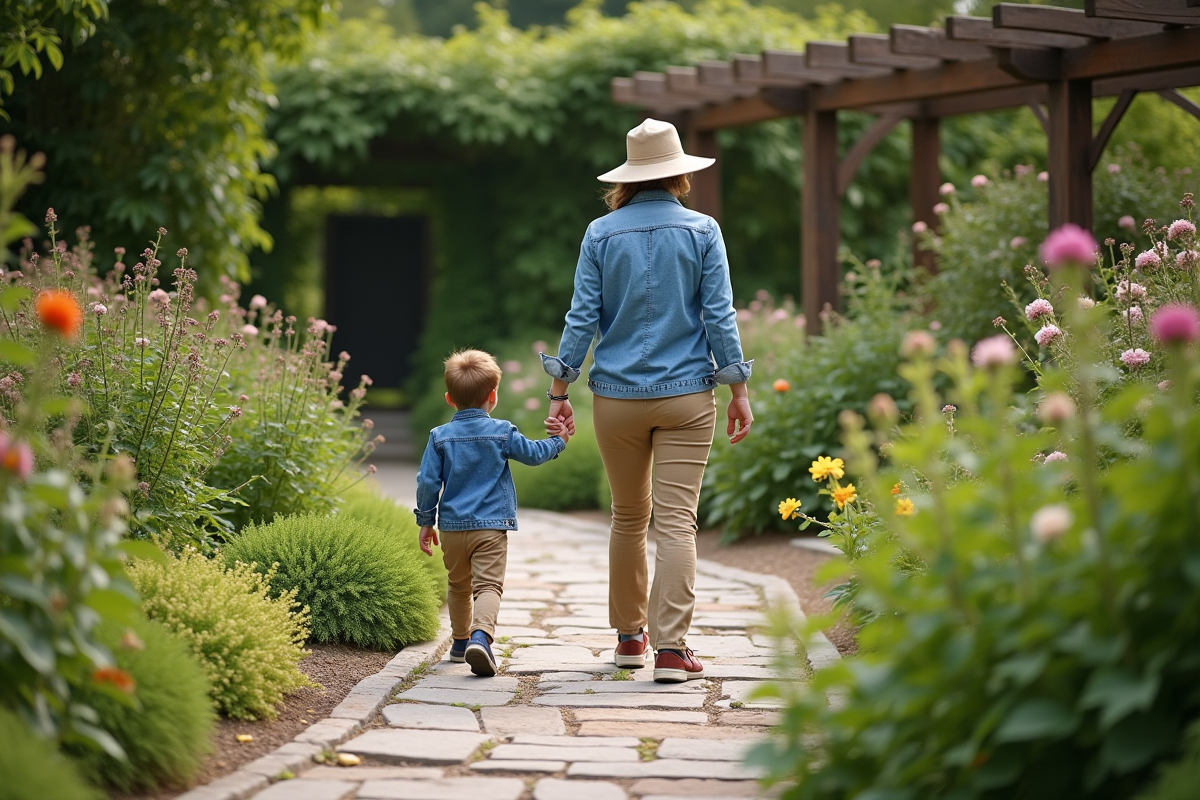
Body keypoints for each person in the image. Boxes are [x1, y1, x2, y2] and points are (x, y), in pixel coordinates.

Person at [541, 118, 754, 683]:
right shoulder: (703, 230)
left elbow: (581, 318)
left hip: (614, 397)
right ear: (679, 173)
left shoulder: (600, 233)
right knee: (677, 523)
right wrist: (738, 389)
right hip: (688, 397)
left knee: (628, 518)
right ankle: (672, 650)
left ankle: (630, 640)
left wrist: (559, 391)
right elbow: (720, 315)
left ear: (628, 178)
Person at [416, 349, 569, 676]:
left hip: (453, 528)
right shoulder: (502, 432)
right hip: (491, 526)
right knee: (487, 587)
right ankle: (481, 637)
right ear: (493, 396)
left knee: (458, 585)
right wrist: (558, 442)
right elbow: (532, 454)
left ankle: (459, 643)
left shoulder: (439, 437)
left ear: (448, 398)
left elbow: (427, 482)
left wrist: (425, 522)